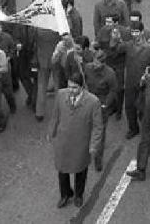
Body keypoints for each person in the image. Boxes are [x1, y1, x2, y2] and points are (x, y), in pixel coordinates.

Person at [49, 71, 103, 208]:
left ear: (82, 87)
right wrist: (51, 132)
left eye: (74, 88)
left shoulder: (93, 102)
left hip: (81, 144)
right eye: (69, 87)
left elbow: (98, 127)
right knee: (62, 170)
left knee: (80, 171)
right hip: (63, 142)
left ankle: (78, 194)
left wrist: (93, 145)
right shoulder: (61, 95)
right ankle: (65, 194)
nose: (71, 90)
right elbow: (55, 116)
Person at [84, 47, 118, 171]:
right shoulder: (87, 68)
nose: (94, 65)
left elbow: (113, 90)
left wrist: (106, 104)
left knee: (100, 133)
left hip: (101, 104)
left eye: (97, 63)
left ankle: (98, 159)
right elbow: (84, 81)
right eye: (94, 61)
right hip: (88, 102)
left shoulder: (110, 74)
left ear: (103, 63)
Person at [124, 22, 150, 140]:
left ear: (142, 32)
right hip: (129, 82)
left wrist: (148, 80)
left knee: (144, 110)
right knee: (129, 107)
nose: (134, 34)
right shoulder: (128, 45)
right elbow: (115, 49)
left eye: (137, 32)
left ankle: (148, 130)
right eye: (132, 32)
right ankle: (133, 128)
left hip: (144, 84)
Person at [0, 23, 17, 114]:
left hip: (5, 68)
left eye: (0, 27)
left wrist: (8, 58)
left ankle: (12, 106)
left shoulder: (7, 37)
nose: (0, 29)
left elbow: (12, 49)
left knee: (7, 90)